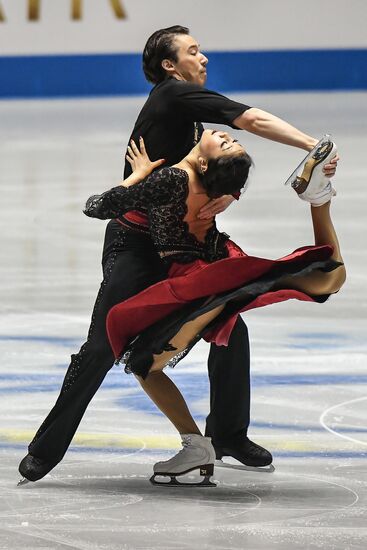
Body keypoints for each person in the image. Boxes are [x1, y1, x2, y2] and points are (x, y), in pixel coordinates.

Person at [18, 25, 339, 484]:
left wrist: (226, 196)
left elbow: (212, 166)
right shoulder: (173, 95)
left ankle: (227, 434)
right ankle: (45, 449)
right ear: (170, 65)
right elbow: (248, 119)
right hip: (135, 242)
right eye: (193, 51)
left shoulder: (185, 116)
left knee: (230, 325)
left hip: (183, 243)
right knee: (102, 345)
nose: (203, 57)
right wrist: (313, 145)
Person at [83, 131, 345, 486]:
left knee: (144, 364)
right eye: (229, 140)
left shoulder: (172, 179)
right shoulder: (214, 182)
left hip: (197, 283)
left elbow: (96, 206)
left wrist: (138, 176)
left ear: (204, 163)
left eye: (226, 144)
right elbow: (228, 167)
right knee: (327, 279)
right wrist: (229, 192)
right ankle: (318, 200)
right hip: (222, 264)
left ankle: (195, 444)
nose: (224, 134)